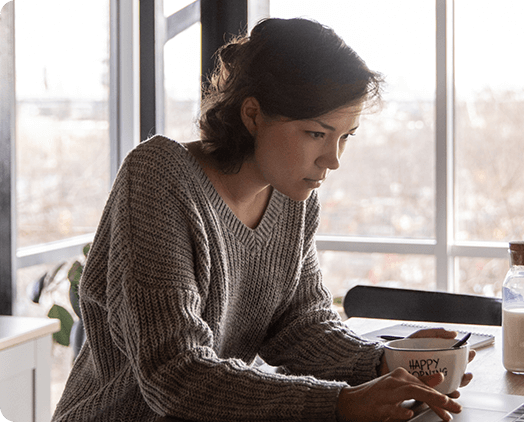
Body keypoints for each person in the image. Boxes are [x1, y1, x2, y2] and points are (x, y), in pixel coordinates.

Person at [52, 17, 473, 422]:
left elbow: (300, 325)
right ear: (252, 114)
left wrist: (387, 361)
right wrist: (341, 404)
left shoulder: (294, 196)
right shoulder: (159, 177)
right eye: (317, 134)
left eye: (345, 137)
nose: (333, 159)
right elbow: (175, 373)